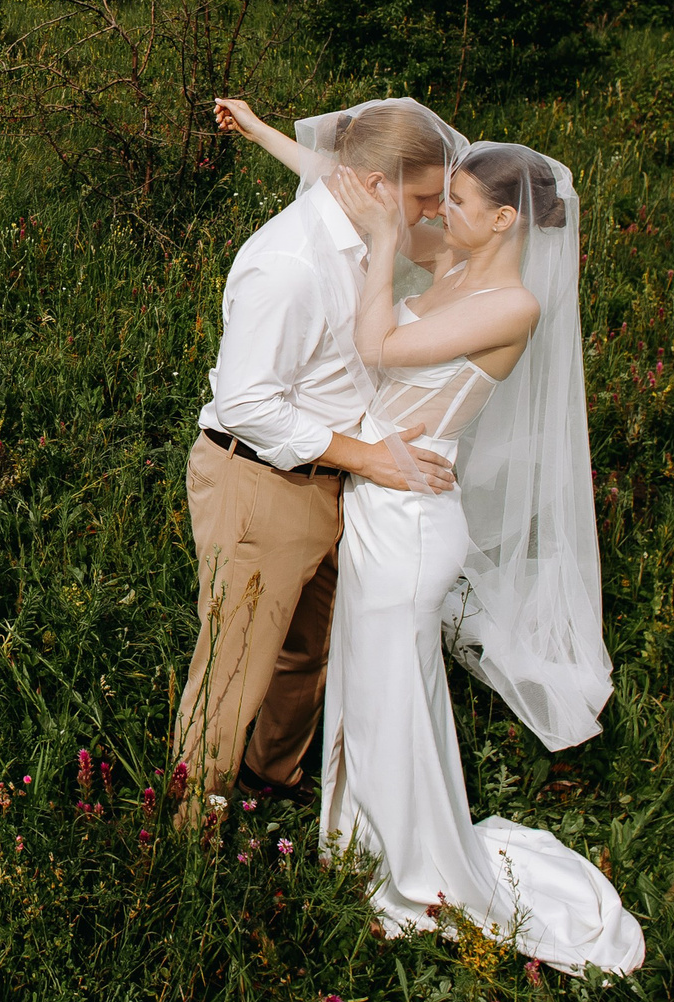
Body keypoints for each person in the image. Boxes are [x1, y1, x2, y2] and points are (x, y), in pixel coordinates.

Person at [225, 106, 642, 974]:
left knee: (396, 692)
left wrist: (381, 244)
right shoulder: (453, 261)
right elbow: (351, 185)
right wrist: (264, 134)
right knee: (369, 684)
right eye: (434, 198)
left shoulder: (512, 303)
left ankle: (415, 870)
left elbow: (380, 338)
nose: (430, 213)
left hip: (412, 517)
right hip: (376, 492)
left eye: (452, 201)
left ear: (503, 219)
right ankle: (361, 836)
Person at [172, 97, 465, 823]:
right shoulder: (290, 264)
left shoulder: (361, 217)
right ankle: (189, 829)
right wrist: (370, 457)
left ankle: (273, 783)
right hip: (259, 481)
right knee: (235, 665)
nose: (432, 213)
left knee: (305, 654)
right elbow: (247, 403)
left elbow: (318, 165)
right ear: (374, 185)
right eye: (425, 198)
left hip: (327, 482)